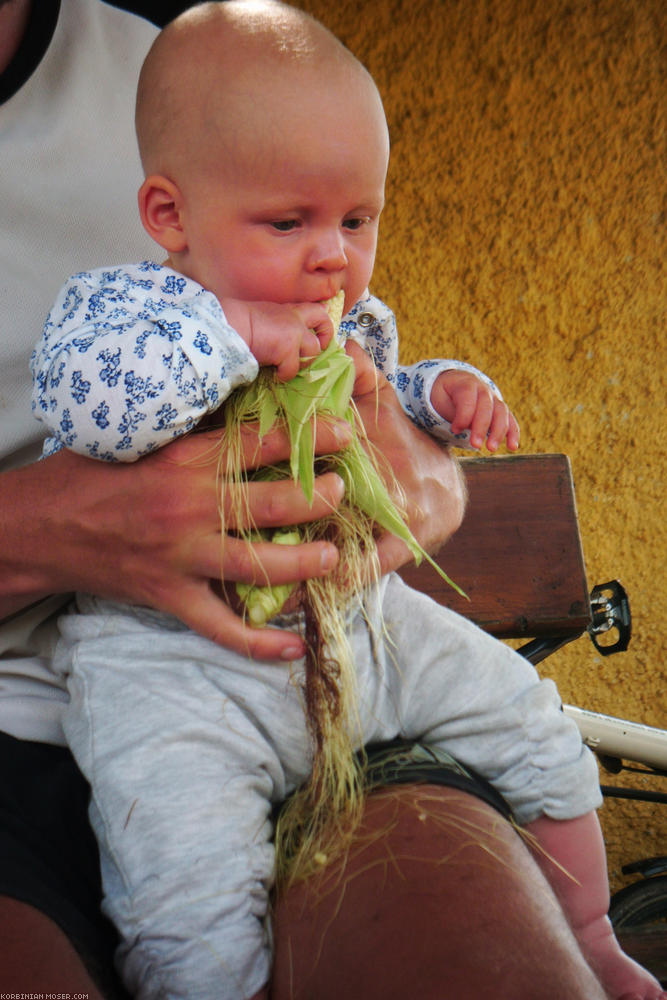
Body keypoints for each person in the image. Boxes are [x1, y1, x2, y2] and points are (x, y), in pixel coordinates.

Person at [28, 4, 665, 1000]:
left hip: (356, 623)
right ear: (171, 217)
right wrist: (234, 338)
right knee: (183, 901)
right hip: (174, 668)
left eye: (355, 220)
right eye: (289, 222)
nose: (331, 255)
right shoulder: (123, 314)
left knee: (532, 725)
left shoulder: (344, 313)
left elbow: (383, 391)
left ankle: (590, 929)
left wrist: (438, 394)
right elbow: (97, 413)